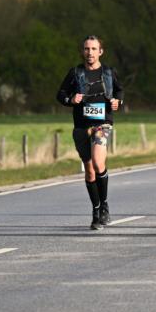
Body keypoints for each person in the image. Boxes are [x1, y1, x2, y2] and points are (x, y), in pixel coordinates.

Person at [56, 36, 124, 230]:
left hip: (102, 124)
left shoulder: (109, 72)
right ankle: (96, 209)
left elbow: (119, 92)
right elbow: (60, 94)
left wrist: (118, 102)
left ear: (100, 51)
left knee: (98, 162)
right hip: (81, 126)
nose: (90, 53)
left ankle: (104, 206)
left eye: (94, 49)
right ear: (82, 51)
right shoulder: (75, 73)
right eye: (87, 49)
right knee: (89, 171)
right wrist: (71, 99)